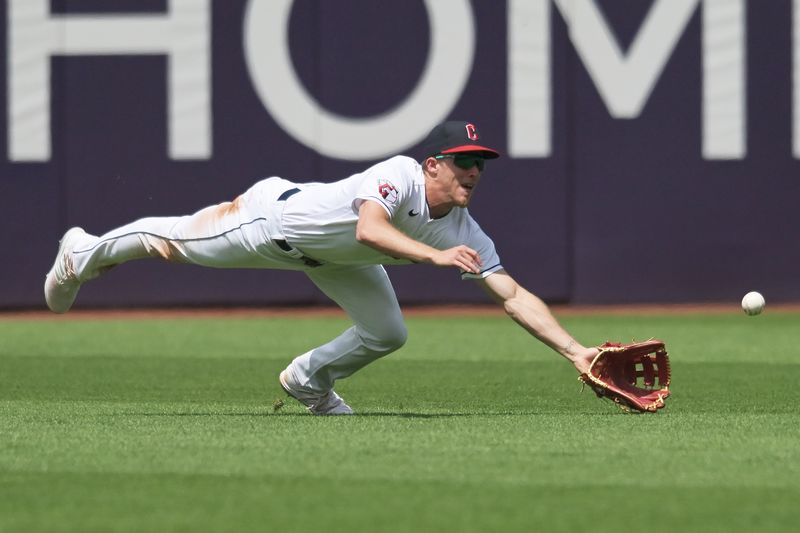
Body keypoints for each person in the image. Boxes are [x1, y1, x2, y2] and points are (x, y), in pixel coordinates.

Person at [44, 121, 599, 415]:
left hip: (339, 261)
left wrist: (576, 351)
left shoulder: (463, 229)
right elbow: (370, 229)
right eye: (462, 163)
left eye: (479, 164)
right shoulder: (400, 175)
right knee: (166, 241)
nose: (473, 172)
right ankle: (82, 252)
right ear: (433, 164)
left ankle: (308, 381)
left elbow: (511, 294)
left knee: (388, 332)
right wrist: (433, 256)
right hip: (272, 226)